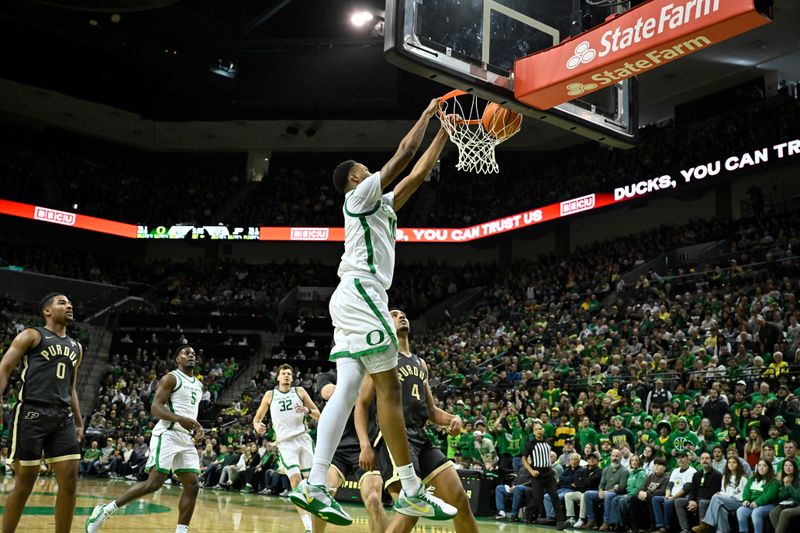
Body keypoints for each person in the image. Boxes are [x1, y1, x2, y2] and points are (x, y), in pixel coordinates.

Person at [289, 97, 456, 526]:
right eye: (364, 168)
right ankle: (412, 489)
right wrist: (428, 113)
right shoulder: (359, 195)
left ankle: (314, 485)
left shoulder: (380, 206)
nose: (369, 170)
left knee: (347, 392)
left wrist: (445, 134)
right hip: (364, 294)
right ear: (356, 178)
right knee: (388, 389)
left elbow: (416, 176)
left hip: (351, 297)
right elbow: (403, 156)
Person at [355, 309, 476, 533]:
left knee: (459, 499)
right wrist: (364, 444)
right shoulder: (381, 356)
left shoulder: (420, 363)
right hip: (395, 438)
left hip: (421, 436)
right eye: (393, 314)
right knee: (411, 511)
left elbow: (430, 409)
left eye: (403, 314)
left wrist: (452, 418)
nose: (401, 316)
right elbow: (361, 405)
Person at [86, 345, 204, 533]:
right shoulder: (171, 378)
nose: (191, 356)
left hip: (185, 439)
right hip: (168, 434)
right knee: (153, 484)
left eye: (193, 354)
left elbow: (190, 413)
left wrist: (197, 429)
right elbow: (156, 408)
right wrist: (180, 419)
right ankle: (105, 510)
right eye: (186, 353)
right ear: (178, 359)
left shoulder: (198, 385)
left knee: (192, 485)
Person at [0, 293, 84, 533]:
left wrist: (79, 422)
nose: (69, 305)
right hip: (31, 413)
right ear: (47, 311)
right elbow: (4, 368)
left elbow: (72, 387)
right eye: (62, 302)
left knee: (69, 481)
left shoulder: (76, 347)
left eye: (70, 302)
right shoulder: (32, 335)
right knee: (25, 481)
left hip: (62, 417)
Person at [314, 368, 387, 533]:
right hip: (336, 448)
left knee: (374, 499)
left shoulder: (376, 375)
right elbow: (327, 392)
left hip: (367, 447)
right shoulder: (329, 375)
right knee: (323, 494)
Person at [253, 364, 321, 533]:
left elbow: (318, 414)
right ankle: (307, 526)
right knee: (296, 481)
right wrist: (258, 426)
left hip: (303, 440)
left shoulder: (300, 392)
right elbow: (257, 418)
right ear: (277, 377)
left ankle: (316, 519)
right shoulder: (270, 394)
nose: (286, 376)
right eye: (283, 373)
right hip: (285, 443)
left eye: (289, 374)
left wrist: (307, 410)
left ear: (292, 377)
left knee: (311, 482)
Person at [523, 421, 567, 529]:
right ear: (533, 432)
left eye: (540, 429)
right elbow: (524, 459)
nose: (539, 431)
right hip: (537, 475)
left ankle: (560, 521)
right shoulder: (530, 444)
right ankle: (527, 512)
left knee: (555, 497)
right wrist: (531, 471)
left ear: (543, 430)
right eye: (537, 429)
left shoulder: (547, 442)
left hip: (548, 473)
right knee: (537, 498)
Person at [693, 456, 748, 533]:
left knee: (716, 498)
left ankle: (706, 523)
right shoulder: (725, 477)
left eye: (734, 462)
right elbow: (723, 491)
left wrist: (727, 496)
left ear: (738, 465)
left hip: (738, 502)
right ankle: (722, 530)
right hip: (726, 501)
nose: (731, 464)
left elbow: (743, 495)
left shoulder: (743, 478)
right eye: (729, 462)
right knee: (721, 509)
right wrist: (722, 494)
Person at [580, 447, 629, 530]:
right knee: (587, 494)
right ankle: (591, 520)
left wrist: (606, 492)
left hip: (616, 493)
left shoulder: (624, 471)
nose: (614, 458)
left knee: (608, 495)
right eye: (613, 456)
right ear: (611, 457)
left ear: (621, 457)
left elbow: (622, 487)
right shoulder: (606, 469)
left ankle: (606, 521)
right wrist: (600, 491)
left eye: (617, 456)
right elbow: (601, 484)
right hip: (604, 492)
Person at [675, 452, 723, 533]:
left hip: (709, 500)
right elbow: (692, 490)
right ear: (700, 461)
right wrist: (691, 501)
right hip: (696, 500)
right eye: (702, 459)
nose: (705, 461)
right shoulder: (697, 474)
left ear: (712, 461)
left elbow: (713, 492)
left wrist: (696, 502)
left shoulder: (717, 475)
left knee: (702, 503)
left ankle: (703, 528)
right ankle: (685, 529)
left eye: (707, 458)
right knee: (678, 501)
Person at [620, 457, 670, 533]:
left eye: (659, 465)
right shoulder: (651, 476)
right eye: (655, 464)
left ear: (664, 468)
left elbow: (662, 491)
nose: (656, 467)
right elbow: (643, 486)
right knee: (634, 498)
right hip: (647, 496)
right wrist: (641, 492)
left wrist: (647, 493)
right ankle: (635, 526)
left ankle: (652, 525)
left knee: (651, 498)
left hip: (654, 497)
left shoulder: (666, 477)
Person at [652, 451, 697, 533]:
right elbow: (670, 485)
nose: (680, 460)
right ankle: (660, 525)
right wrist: (667, 495)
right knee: (655, 499)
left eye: (682, 457)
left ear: (687, 459)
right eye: (678, 458)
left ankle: (666, 527)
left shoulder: (692, 471)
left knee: (668, 502)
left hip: (682, 497)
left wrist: (672, 497)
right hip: (671, 496)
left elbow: (686, 488)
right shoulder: (675, 471)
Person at [736, 458, 779, 533]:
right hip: (753, 503)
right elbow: (746, 490)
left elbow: (769, 495)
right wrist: (746, 499)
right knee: (740, 511)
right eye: (759, 465)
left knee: (756, 512)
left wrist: (758, 502)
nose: (761, 468)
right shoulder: (752, 478)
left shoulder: (773, 481)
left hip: (768, 504)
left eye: (764, 466)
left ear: (769, 468)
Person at [605, 453, 646, 531]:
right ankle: (614, 523)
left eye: (636, 460)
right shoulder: (631, 472)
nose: (634, 462)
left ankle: (622, 524)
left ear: (639, 462)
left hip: (635, 495)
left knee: (622, 500)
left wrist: (628, 495)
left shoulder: (641, 473)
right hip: (628, 494)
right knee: (615, 499)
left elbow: (638, 488)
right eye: (632, 460)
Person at [565, 452, 602, 527]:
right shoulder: (584, 469)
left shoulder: (599, 471)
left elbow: (591, 481)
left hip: (592, 492)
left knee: (584, 496)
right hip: (581, 491)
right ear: (587, 460)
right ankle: (571, 518)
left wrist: (582, 481)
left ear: (597, 460)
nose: (591, 460)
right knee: (568, 495)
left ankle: (581, 519)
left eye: (593, 459)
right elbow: (576, 480)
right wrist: (583, 481)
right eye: (589, 459)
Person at [768, 457, 800, 533]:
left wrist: (788, 486)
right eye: (786, 465)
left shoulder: (799, 478)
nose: (788, 468)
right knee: (773, 512)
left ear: (794, 467)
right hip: (789, 503)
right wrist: (784, 485)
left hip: (798, 504)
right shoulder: (784, 478)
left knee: (785, 513)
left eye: (790, 465)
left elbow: (798, 497)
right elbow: (782, 497)